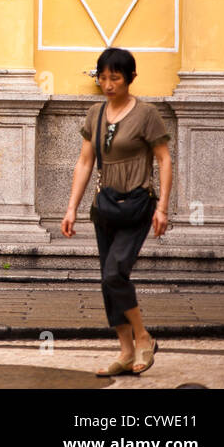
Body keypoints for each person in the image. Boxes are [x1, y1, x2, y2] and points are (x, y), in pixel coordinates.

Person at [60, 47, 173, 376]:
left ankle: (143, 336)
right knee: (107, 281)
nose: (108, 84)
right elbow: (84, 162)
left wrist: (162, 208)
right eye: (103, 77)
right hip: (106, 206)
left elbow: (164, 159)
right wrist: (71, 208)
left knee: (115, 273)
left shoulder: (147, 114)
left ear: (130, 79)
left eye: (116, 78)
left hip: (138, 204)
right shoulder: (95, 113)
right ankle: (125, 351)